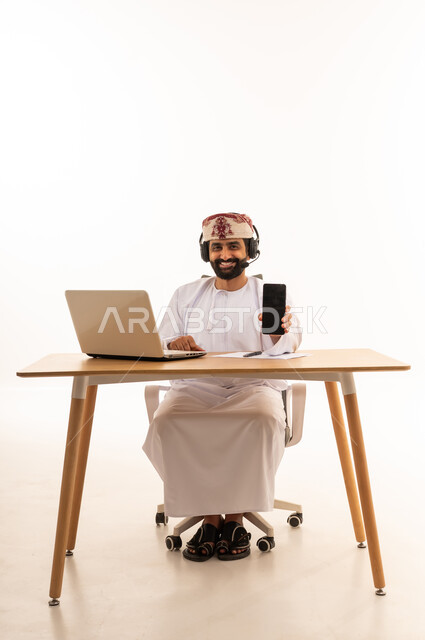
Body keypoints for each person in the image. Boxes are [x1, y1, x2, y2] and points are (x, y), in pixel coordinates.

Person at [142, 212, 302, 561]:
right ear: (207, 252)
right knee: (168, 420)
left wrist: (278, 331)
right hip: (195, 387)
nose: (224, 254)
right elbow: (162, 342)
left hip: (254, 386)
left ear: (250, 250)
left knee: (261, 419)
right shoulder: (186, 295)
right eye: (217, 247)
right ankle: (211, 518)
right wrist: (176, 344)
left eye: (233, 246)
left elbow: (289, 344)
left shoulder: (266, 294)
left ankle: (235, 518)